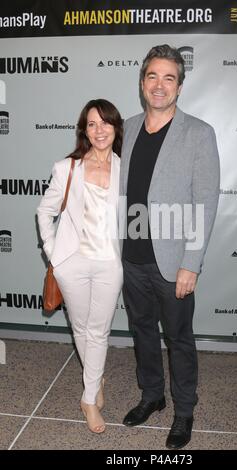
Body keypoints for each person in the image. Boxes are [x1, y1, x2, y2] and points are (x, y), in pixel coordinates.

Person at [120, 45, 220, 449]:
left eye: (168, 78)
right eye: (152, 77)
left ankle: (183, 411)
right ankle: (151, 396)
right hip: (131, 256)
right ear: (142, 82)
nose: (159, 86)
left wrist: (191, 263)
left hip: (174, 261)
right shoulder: (125, 129)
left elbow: (206, 202)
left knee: (179, 338)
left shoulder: (198, 133)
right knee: (142, 331)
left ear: (180, 85)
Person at [37, 99, 123, 434]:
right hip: (72, 262)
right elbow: (45, 211)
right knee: (81, 328)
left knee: (99, 331)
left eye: (105, 123)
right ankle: (95, 381)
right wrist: (53, 253)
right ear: (84, 130)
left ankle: (89, 399)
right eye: (92, 124)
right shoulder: (67, 168)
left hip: (109, 263)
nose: (99, 130)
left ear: (115, 127)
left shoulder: (124, 167)